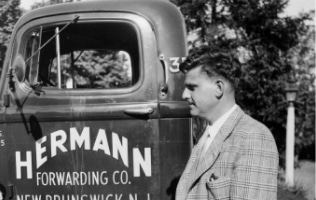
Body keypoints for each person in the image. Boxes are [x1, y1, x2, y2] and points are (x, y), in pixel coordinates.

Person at [175, 49, 279, 200]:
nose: (184, 95)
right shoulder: (206, 136)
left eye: (192, 87)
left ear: (219, 88)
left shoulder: (253, 137)